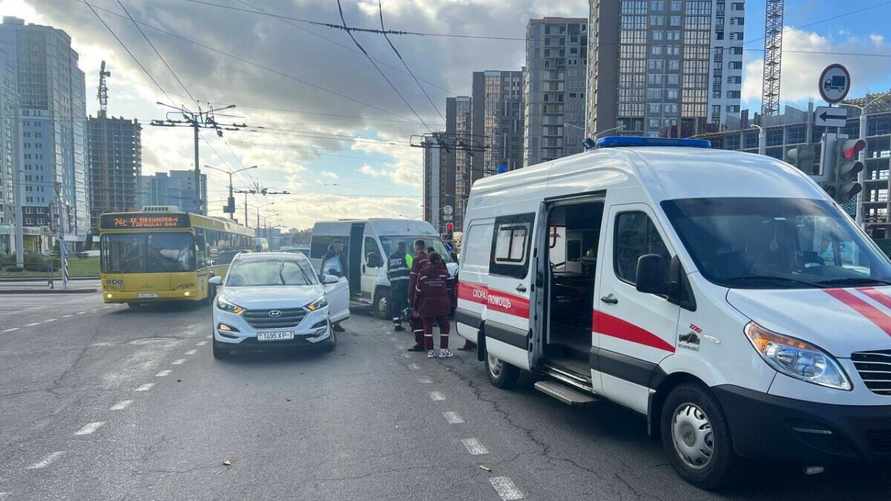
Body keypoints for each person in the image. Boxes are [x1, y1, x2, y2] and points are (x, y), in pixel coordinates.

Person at [415, 252, 453, 358]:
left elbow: (418, 291)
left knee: (427, 326)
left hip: (426, 304)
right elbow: (450, 289)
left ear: (429, 260)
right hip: (442, 304)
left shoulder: (422, 273)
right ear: (439, 260)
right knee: (444, 326)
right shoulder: (444, 273)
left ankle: (430, 351)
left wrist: (416, 306)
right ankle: (443, 350)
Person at [406, 239, 430, 352]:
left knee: (416, 319)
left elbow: (413, 279)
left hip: (419, 293)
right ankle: (428, 343)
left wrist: (410, 296)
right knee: (427, 319)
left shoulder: (417, 260)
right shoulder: (429, 258)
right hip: (430, 292)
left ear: (416, 247)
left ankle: (420, 344)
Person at [386, 241, 410, 331]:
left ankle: (397, 324)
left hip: (394, 285)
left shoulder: (390, 258)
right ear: (404, 247)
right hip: (404, 285)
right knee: (405, 304)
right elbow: (412, 269)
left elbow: (388, 272)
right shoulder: (406, 256)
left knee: (395, 305)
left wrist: (393, 282)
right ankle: (410, 321)